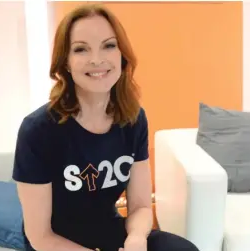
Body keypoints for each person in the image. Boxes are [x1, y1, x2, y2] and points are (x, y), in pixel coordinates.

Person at [12, 3, 199, 251]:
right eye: (81, 49)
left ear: (121, 55)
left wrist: (136, 239)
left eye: (109, 46)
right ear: (65, 62)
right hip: (57, 244)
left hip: (108, 230)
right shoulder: (37, 131)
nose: (97, 59)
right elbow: (40, 235)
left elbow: (142, 206)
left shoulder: (133, 119)